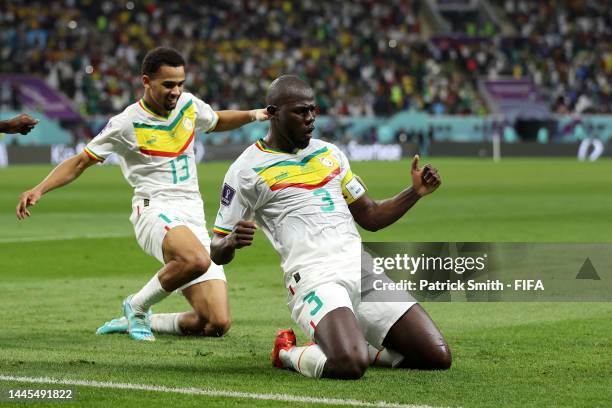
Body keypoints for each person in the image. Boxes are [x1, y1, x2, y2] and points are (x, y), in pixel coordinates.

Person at [16, 47, 269, 342]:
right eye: (168, 84)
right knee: (197, 260)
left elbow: (215, 120)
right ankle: (135, 306)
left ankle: (142, 321)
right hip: (153, 209)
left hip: (193, 214)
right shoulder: (126, 123)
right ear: (146, 81)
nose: (176, 91)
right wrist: (39, 189)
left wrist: (254, 114)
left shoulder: (188, 105)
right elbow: (81, 161)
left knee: (215, 323)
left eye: (180, 83)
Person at [210, 75, 450, 380]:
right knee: (349, 364)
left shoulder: (330, 154)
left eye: (313, 110)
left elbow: (372, 216)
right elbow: (215, 250)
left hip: (362, 271)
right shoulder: (245, 170)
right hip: (315, 278)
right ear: (272, 113)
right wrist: (230, 241)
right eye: (300, 111)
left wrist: (414, 192)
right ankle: (286, 352)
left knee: (436, 356)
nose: (310, 119)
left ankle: (356, 342)